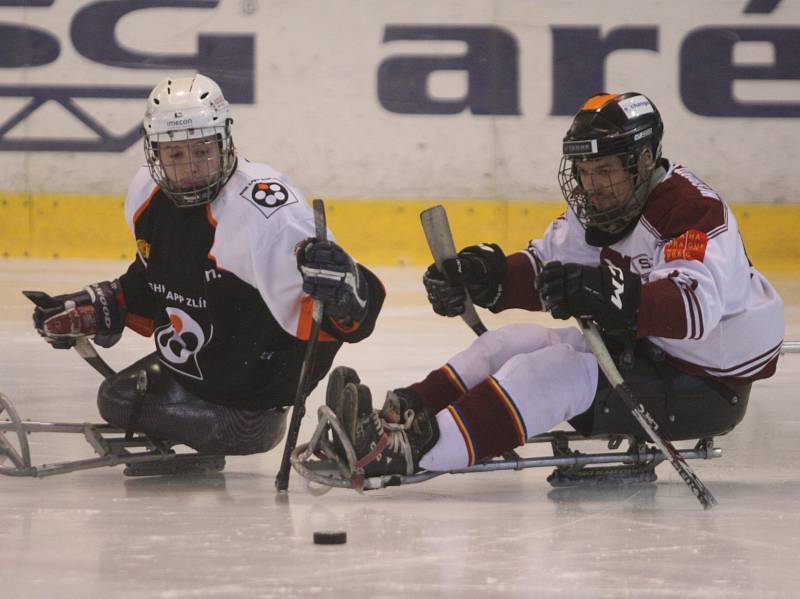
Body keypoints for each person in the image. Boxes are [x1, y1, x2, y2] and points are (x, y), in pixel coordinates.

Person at [327, 92, 784, 477]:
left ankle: (412, 453)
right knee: (510, 343)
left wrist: (609, 292)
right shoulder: (606, 206)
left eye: (604, 170)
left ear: (644, 160)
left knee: (555, 371)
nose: (591, 185)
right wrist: (487, 279)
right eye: (584, 172)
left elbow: (693, 308)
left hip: (705, 382)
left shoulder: (690, 210)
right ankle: (403, 415)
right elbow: (544, 265)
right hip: (652, 352)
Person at [28, 73, 384, 466]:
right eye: (176, 155)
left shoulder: (265, 215)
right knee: (117, 396)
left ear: (224, 141)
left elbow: (338, 308)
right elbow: (160, 277)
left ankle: (242, 431)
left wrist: (348, 294)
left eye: (202, 150)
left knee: (118, 400)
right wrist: (102, 306)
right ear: (154, 153)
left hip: (250, 402)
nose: (191, 168)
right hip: (203, 369)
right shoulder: (146, 193)